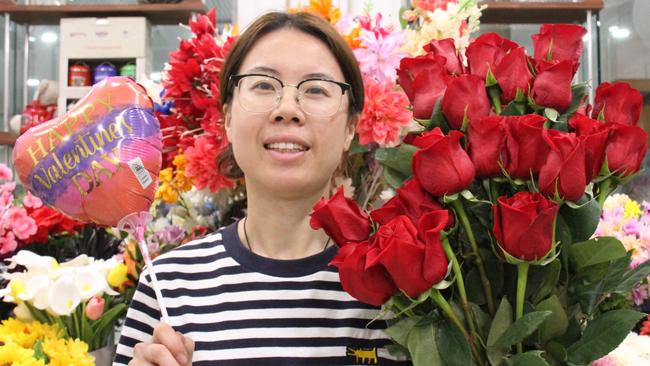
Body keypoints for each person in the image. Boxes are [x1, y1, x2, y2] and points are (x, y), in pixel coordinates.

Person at [114, 11, 409, 365]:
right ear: (227, 118)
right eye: (264, 85)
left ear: (350, 128)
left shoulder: (399, 287)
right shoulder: (169, 287)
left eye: (316, 89)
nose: (287, 109)